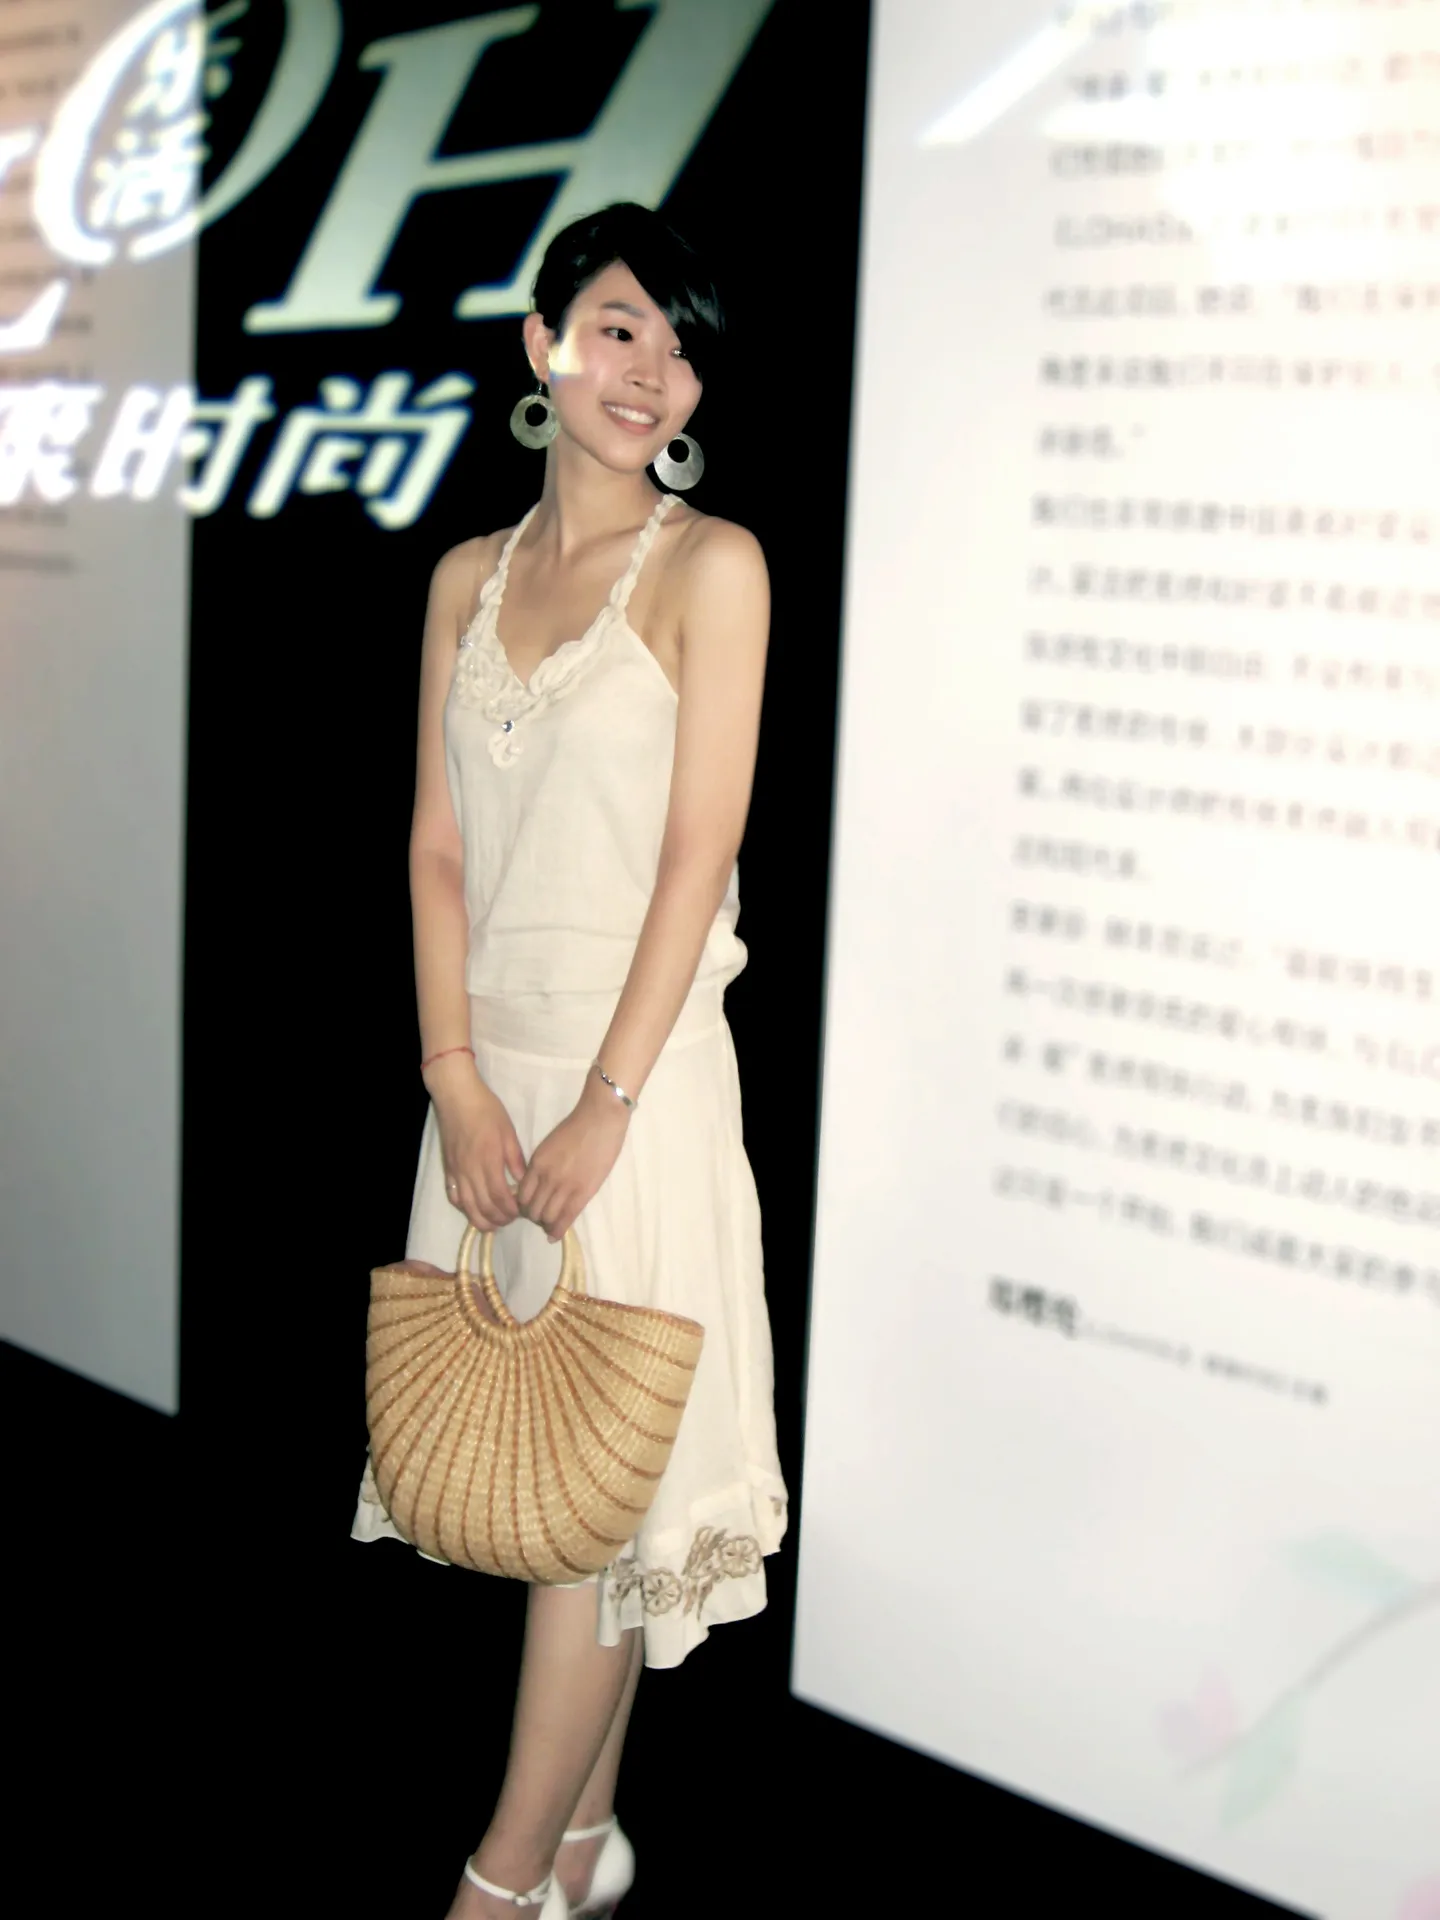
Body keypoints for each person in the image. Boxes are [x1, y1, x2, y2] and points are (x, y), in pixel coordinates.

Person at [352, 202, 788, 1918]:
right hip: (489, 1081)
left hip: (639, 1084)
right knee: (562, 1479)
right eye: (617, 327)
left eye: (678, 347)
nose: (649, 370)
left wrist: (608, 1102)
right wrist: (454, 1075)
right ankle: (586, 1852)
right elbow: (435, 848)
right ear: (544, 344)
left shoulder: (711, 567)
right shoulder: (465, 579)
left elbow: (698, 857)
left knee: (607, 1506)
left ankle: (502, 1881)